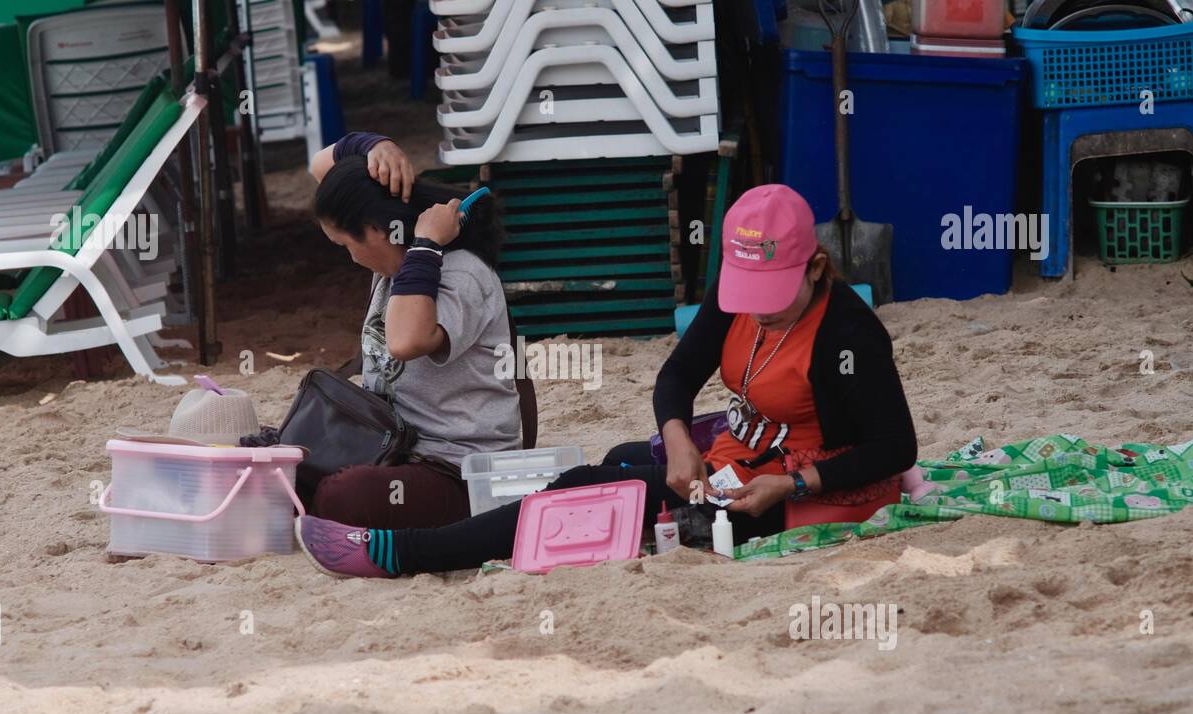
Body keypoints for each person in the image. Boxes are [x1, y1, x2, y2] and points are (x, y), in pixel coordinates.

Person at [294, 184, 918, 577]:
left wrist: (791, 483)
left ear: (815, 267)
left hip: (801, 488)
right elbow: (676, 375)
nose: (758, 308)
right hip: (741, 462)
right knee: (612, 469)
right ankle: (443, 542)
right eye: (749, 294)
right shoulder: (740, 296)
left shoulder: (849, 334)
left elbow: (894, 448)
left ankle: (410, 554)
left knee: (590, 492)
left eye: (774, 297)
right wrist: (677, 439)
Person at [305, 132, 523, 529]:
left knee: (341, 496)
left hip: (457, 471)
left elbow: (406, 341)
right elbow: (320, 167)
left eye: (345, 245)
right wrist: (372, 146)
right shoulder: (391, 261)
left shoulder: (459, 273)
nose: (351, 258)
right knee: (284, 467)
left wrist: (424, 245)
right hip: (391, 447)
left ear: (375, 230)